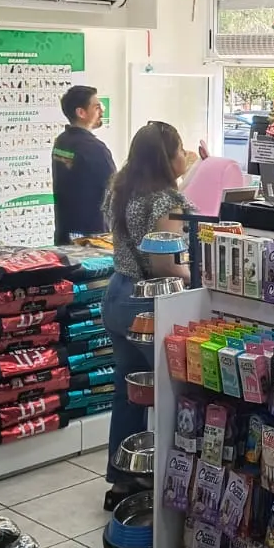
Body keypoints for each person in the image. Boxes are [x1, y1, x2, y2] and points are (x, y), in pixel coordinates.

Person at [102, 122, 191, 505]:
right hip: (147, 302)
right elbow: (164, 265)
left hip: (116, 293)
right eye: (180, 149)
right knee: (170, 393)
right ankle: (162, 485)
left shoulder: (121, 190)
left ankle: (122, 480)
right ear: (165, 158)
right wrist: (200, 273)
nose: (184, 155)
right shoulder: (165, 200)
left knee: (127, 392)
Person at [52, 86, 115, 244]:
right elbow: (115, 188)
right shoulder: (94, 148)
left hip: (65, 231)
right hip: (91, 238)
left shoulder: (62, 141)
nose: (102, 111)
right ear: (81, 113)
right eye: (97, 107)